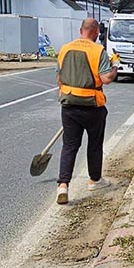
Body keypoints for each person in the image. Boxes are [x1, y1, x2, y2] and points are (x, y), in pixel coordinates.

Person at [56, 18, 118, 205]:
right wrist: (114, 66)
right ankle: (94, 180)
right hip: (92, 106)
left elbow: (59, 78)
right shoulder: (98, 51)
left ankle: (63, 185)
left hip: (68, 104)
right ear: (97, 32)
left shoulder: (65, 48)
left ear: (81, 30)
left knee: (69, 146)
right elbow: (106, 78)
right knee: (94, 144)